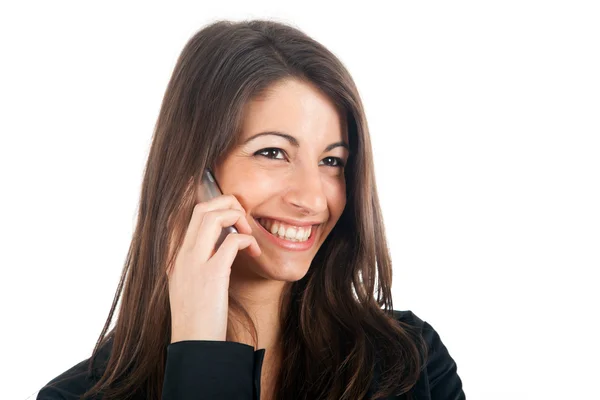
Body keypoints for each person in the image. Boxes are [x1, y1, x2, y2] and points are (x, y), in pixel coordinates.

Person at [37, 19, 465, 400]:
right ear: (194, 173)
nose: (313, 199)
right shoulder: (74, 396)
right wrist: (199, 354)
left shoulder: (412, 363)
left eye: (332, 161)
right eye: (273, 152)